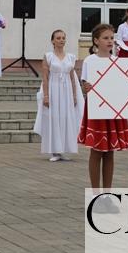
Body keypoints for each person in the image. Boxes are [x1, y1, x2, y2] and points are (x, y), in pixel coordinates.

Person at [78, 24, 128, 212]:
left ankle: (107, 196)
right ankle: (96, 196)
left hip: (113, 110)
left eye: (111, 38)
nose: (110, 41)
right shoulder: (90, 61)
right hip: (97, 110)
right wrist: (86, 87)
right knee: (97, 151)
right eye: (106, 38)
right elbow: (85, 83)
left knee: (110, 151)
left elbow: (124, 86)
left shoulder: (117, 61)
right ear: (96, 41)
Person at [34, 30, 80, 161]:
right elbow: (45, 77)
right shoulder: (48, 56)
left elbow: (72, 78)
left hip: (66, 92)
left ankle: (63, 149)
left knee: (65, 118)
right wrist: (46, 96)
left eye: (63, 38)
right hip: (53, 90)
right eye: (58, 38)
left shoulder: (71, 57)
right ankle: (54, 151)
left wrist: (75, 95)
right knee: (54, 118)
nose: (61, 40)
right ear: (53, 41)